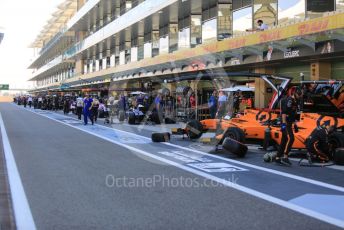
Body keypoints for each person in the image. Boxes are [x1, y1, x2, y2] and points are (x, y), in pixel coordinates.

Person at [276, 87, 302, 166]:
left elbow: (293, 114)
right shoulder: (289, 101)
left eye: (301, 95)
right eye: (299, 94)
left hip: (290, 123)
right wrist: (283, 124)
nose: (300, 96)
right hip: (285, 123)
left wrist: (295, 124)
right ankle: (285, 156)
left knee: (284, 139)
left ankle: (277, 157)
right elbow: (284, 113)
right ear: (295, 93)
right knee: (291, 138)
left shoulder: (296, 101)